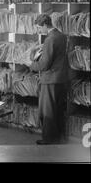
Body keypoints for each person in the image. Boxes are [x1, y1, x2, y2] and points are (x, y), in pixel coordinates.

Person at [30, 14, 68, 145]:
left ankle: (49, 139)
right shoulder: (62, 36)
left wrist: (31, 64)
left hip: (50, 80)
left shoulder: (50, 39)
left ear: (45, 25)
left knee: (47, 111)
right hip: (61, 79)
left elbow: (44, 65)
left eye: (39, 28)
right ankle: (58, 138)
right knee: (58, 110)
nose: (39, 31)